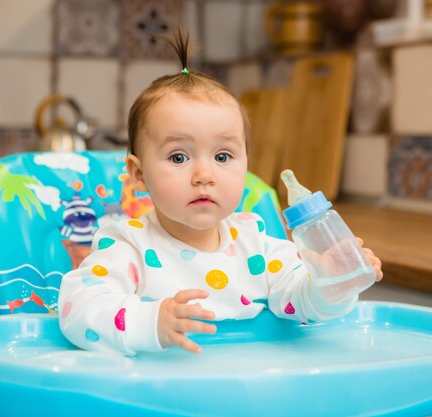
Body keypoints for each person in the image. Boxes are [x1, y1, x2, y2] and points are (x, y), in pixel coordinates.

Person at [58, 29, 383, 356]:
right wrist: (150, 323)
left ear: (245, 164)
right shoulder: (128, 247)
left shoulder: (256, 243)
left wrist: (331, 283)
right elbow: (78, 308)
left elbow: (301, 303)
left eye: (223, 156)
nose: (204, 175)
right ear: (139, 174)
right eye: (179, 157)